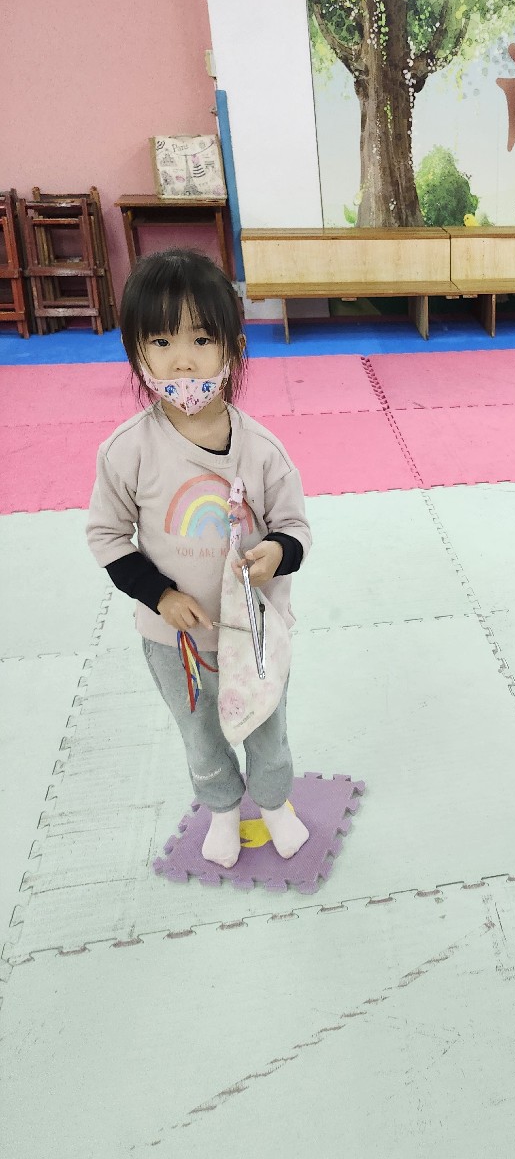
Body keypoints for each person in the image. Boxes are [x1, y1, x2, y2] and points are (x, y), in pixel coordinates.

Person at [86, 249, 312, 869]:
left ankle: (274, 804)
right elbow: (108, 537)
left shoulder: (262, 450)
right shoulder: (126, 452)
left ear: (233, 349)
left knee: (266, 723)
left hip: (254, 631)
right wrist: (161, 596)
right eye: (161, 341)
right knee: (200, 732)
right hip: (175, 642)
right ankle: (221, 811)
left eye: (201, 339)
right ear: (137, 353)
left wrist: (275, 553)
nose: (182, 360)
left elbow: (295, 528)